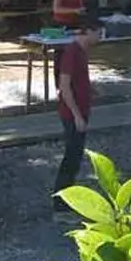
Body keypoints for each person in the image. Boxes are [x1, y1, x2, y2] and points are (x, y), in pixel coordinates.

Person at [52, 26, 102, 222]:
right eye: (99, 32)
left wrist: (91, 90)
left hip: (81, 111)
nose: (100, 37)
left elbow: (78, 82)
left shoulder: (82, 52)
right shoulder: (72, 52)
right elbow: (64, 86)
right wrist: (77, 115)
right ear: (88, 31)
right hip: (72, 114)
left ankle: (67, 202)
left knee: (75, 159)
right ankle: (60, 207)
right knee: (70, 159)